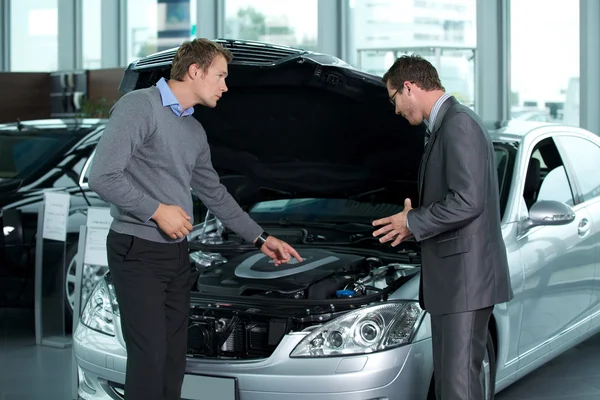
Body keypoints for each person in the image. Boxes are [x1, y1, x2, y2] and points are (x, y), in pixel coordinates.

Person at [88, 38, 302, 400]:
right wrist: (156, 210)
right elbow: (102, 176)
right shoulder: (139, 106)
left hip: (176, 255)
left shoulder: (194, 131)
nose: (225, 85)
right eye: (220, 76)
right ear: (194, 71)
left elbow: (215, 194)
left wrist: (261, 238)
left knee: (173, 361)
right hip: (136, 251)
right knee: (149, 360)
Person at [372, 55, 513, 400]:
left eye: (394, 100)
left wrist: (414, 221)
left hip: (464, 281)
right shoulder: (447, 124)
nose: (395, 111)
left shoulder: (458, 124)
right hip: (457, 282)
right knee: (456, 384)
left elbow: (468, 201)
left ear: (409, 87)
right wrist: (413, 221)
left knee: (458, 386)